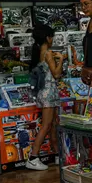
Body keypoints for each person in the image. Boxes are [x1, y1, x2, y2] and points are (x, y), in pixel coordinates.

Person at [26, 24, 64, 171]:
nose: (53, 39)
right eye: (52, 36)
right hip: (49, 92)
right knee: (47, 125)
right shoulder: (48, 53)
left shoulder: (39, 53)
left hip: (46, 92)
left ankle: (57, 154)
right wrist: (60, 59)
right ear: (48, 38)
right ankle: (33, 157)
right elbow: (56, 74)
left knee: (53, 124)